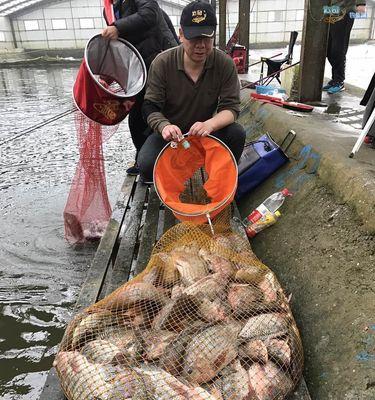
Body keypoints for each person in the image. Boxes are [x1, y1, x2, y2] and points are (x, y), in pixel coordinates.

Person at [138, 0, 246, 183]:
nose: (201, 45)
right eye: (194, 38)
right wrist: (165, 126)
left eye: (207, 38)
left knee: (236, 134)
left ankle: (218, 179)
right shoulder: (162, 62)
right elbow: (149, 107)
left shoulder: (225, 64)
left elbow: (231, 108)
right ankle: (179, 176)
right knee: (146, 165)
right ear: (181, 35)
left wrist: (210, 124)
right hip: (170, 137)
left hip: (205, 135)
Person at [102, 0, 179, 175]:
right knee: (137, 116)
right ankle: (145, 159)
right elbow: (119, 47)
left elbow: (150, 13)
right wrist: (107, 77)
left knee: (158, 111)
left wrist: (118, 27)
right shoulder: (109, 9)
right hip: (138, 69)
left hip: (160, 60)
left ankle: (169, 159)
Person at [323, 0, 366, 94]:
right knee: (328, 49)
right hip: (332, 11)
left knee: (338, 48)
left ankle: (339, 81)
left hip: (346, 11)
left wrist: (361, 3)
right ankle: (335, 79)